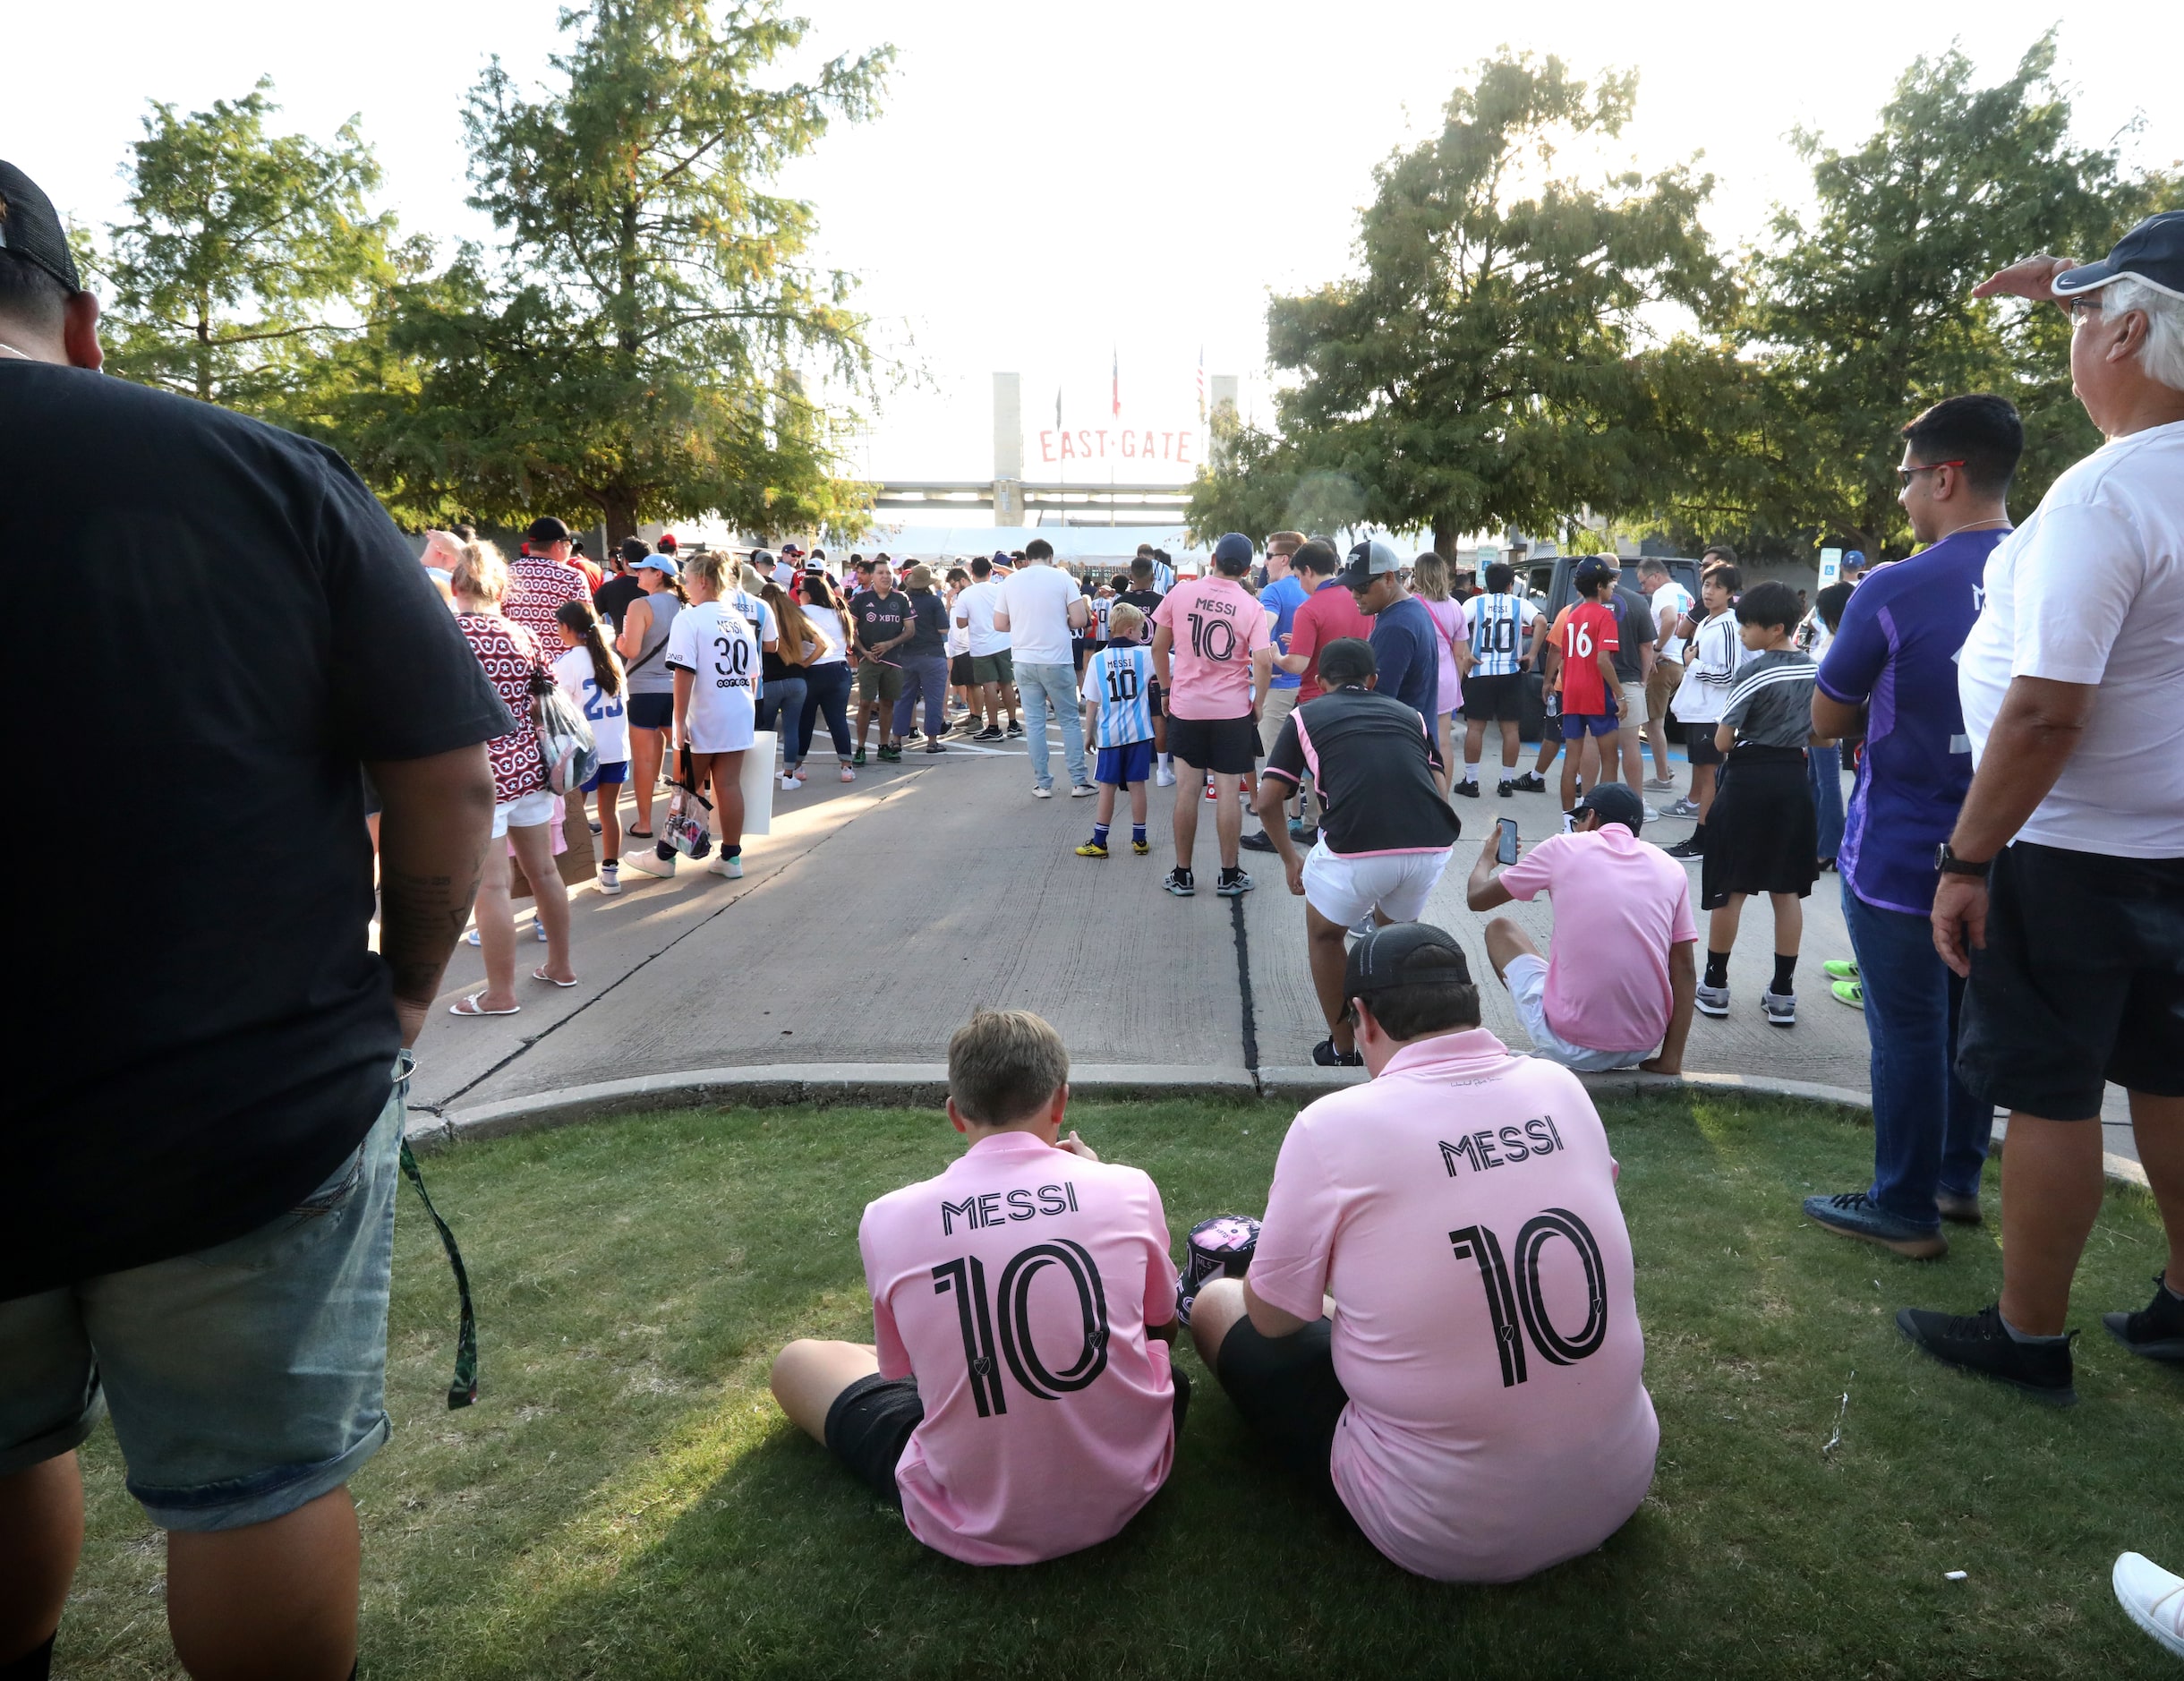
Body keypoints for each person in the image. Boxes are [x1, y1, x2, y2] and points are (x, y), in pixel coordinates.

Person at [4, 153, 505, 1681]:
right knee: (253, 1487)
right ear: (83, 323)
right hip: (243, 1097)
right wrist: (406, 992)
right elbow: (446, 774)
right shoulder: (261, 470)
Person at [1902, 214, 2184, 1402]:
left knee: (2051, 1092)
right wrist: (2074, 286)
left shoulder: (2102, 497)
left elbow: (2043, 713)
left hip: (2071, 851)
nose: (2072, 337)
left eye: (2085, 314)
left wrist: (1967, 856)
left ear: (2127, 329)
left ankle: (2027, 1333)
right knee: (2171, 1080)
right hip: (2172, 841)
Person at [1187, 923, 1658, 1583]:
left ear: (1363, 1018)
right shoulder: (1559, 1087)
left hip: (1447, 1530)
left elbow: (1272, 1321)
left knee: (1216, 1303)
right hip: (1620, 1478)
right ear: (1471, 1006)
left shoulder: (1333, 1126)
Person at [767, 1010, 1185, 1564]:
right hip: (1127, 1482)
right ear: (1060, 1102)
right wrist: (1098, 1178)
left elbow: (903, 1376)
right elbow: (1163, 1325)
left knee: (796, 1361)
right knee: (1159, 1369)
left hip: (972, 1514)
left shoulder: (887, 1217)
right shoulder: (1129, 1188)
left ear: (955, 1115)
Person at [1797, 396, 2022, 1261]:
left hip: (1904, 848)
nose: (1900, 497)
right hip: (2013, 847)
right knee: (1974, 1023)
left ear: (1944, 476)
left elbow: (1826, 718)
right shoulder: (2049, 567)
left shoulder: (1895, 586)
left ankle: (1903, 1208)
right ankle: (1956, 1181)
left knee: (1907, 1031)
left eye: (1905, 479)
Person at [1255, 639, 1462, 1066]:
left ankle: (1344, 1047)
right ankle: (1397, 1042)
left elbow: (1268, 799)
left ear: (1319, 681)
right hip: (1430, 844)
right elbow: (1440, 789)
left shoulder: (1305, 715)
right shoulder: (1412, 716)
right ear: (1373, 681)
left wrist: (1290, 860)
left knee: (1326, 935)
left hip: (1354, 848)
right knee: (1393, 941)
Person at [1466, 783, 1697, 1073]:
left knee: (1500, 929)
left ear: (1591, 818)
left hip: (1572, 1043)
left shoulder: (1562, 848)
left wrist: (1486, 859)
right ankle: (1669, 1059)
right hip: (1641, 1044)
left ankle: (1551, 1045)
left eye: (1576, 822)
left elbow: (1477, 899)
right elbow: (1685, 967)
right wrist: (1670, 1060)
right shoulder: (1670, 868)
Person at [446, 542, 577, 1009]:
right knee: (544, 871)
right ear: (501, 589)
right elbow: (548, 698)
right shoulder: (524, 635)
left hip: (478, 776)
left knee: (494, 887)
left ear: (456, 585)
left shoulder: (448, 634)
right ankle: (560, 966)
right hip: (532, 769)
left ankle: (500, 994)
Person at [1693, 582, 1819, 1026]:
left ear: (1776, 628)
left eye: (1749, 625)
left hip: (1748, 781)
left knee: (1732, 886)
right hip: (1793, 780)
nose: (1743, 631)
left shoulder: (1756, 672)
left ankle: (1715, 985)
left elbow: (1725, 739)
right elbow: (1824, 735)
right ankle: (1783, 993)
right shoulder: (1815, 670)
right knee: (1787, 891)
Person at [1153, 532, 1273, 896]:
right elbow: (1264, 661)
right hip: (1231, 710)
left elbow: (1158, 646)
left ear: (1213, 558)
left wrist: (1166, 689)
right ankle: (1229, 873)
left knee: (1187, 791)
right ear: (1248, 569)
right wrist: (1259, 703)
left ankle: (1183, 874)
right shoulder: (1252, 606)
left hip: (1187, 706)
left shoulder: (1181, 593)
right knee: (1226, 792)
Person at [640, 550, 758, 882]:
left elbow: (683, 672)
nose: (686, 587)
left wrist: (679, 720)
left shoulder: (690, 618)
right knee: (729, 784)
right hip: (738, 708)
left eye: (689, 580)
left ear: (703, 581)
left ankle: (665, 856)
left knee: (687, 787)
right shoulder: (740, 620)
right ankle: (731, 857)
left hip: (704, 711)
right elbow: (752, 675)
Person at [994, 538, 1093, 798]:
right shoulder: (1062, 579)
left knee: (1036, 723)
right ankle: (1079, 780)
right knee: (1070, 721)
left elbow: (1000, 624)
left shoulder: (1010, 581)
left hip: (1024, 659)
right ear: (1050, 557)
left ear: (1026, 558)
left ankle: (1043, 783)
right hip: (1056, 658)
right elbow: (1080, 619)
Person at [1662, 561, 1746, 858]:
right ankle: (1708, 836)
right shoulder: (1709, 621)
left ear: (1731, 593)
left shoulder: (1727, 625)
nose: (1709, 592)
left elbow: (1730, 673)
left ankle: (1704, 839)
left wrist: (1692, 664)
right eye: (1707, 585)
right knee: (1704, 772)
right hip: (1700, 710)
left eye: (1718, 587)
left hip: (1713, 712)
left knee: (1710, 775)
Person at [1241, 533, 1313, 853]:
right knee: (1313, 759)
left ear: (1285, 559)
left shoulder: (1274, 591)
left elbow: (1261, 632)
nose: (1264, 562)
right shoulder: (1314, 590)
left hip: (1280, 684)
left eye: (1268, 555)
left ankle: (1274, 832)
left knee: (1275, 761)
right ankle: (1313, 824)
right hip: (1311, 683)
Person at [553, 598, 629, 897]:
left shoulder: (567, 662)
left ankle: (566, 880)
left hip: (582, 752)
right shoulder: (612, 658)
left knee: (570, 817)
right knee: (609, 811)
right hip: (615, 747)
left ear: (567, 628)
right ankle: (610, 874)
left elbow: (556, 711)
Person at [1073, 603, 1156, 859]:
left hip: (1110, 734)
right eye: (1141, 630)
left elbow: (1092, 701)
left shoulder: (1098, 660)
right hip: (1139, 732)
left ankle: (1100, 841)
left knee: (1107, 786)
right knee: (1137, 784)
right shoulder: (1146, 655)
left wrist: (1088, 733)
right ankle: (1139, 838)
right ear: (1130, 631)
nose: (1142, 635)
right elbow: (1175, 663)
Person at [613, 551, 685, 845]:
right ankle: (683, 821)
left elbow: (631, 650)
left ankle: (644, 823)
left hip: (643, 689)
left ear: (658, 574)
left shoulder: (640, 605)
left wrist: (619, 641)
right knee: (684, 758)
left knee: (643, 760)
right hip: (677, 688)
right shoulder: (686, 605)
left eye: (644, 570)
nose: (638, 573)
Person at [1456, 560, 1544, 798]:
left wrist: (1466, 652)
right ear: (1510, 584)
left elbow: (1458, 623)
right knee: (1511, 729)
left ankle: (1471, 781)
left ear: (1485, 582)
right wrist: (1532, 653)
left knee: (1475, 728)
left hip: (1481, 671)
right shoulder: (1520, 603)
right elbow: (1541, 622)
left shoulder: (1475, 602)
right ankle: (1506, 781)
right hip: (1510, 671)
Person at [1340, 540, 1443, 732]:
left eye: (1361, 586)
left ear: (1388, 578)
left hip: (1400, 744)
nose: (1354, 594)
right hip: (1413, 740)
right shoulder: (1411, 610)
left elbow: (1377, 703)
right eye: (1349, 587)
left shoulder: (1396, 626)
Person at [1554, 559, 1624, 816]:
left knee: (1572, 759)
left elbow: (1563, 660)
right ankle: (1604, 815)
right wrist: (1621, 694)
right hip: (1596, 693)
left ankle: (1567, 820)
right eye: (1609, 582)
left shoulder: (1571, 615)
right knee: (1610, 758)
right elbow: (1603, 660)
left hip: (1572, 692)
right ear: (1599, 585)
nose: (1613, 587)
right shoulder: (1606, 616)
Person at [1409, 551, 1473, 794]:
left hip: (1419, 678)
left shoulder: (1412, 604)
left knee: (1414, 739)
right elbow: (1460, 653)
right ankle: (1442, 795)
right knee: (1443, 741)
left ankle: (1418, 792)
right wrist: (1456, 682)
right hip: (1446, 678)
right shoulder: (1456, 606)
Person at [1801, 583, 1855, 868]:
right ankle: (1817, 839)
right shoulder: (1831, 635)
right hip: (1814, 718)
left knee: (1827, 781)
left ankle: (1830, 846)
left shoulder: (1844, 639)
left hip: (1827, 722)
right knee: (1815, 780)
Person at [758, 580, 828, 790]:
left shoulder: (761, 618)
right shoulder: (796, 616)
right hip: (797, 680)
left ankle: (760, 776)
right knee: (792, 729)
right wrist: (805, 663)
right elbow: (822, 644)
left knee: (764, 731)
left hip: (768, 682)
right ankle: (789, 775)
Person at [849, 559, 915, 765]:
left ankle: (884, 747)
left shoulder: (901, 598)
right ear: (872, 576)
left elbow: (910, 630)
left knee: (887, 703)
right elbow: (849, 630)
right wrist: (863, 652)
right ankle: (860, 748)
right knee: (866, 704)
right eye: (880, 573)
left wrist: (889, 644)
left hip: (893, 660)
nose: (886, 576)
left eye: (888, 572)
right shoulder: (860, 599)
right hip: (869, 660)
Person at [1637, 559, 1693, 790]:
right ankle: (1664, 769)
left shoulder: (1663, 594)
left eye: (1644, 582)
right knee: (1656, 722)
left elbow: (1669, 619)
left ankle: (1662, 776)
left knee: (1653, 724)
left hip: (1663, 664)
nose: (1645, 589)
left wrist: (1657, 649)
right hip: (1679, 663)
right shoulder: (1685, 594)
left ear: (1656, 576)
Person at [797, 573, 858, 784]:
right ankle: (846, 767)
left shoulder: (802, 612)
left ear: (809, 593)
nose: (798, 595)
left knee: (805, 720)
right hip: (839, 669)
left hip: (811, 669)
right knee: (837, 719)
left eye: (799, 591)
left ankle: (797, 767)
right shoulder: (839, 612)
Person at [955, 555, 1021, 742]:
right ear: (991, 572)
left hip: (981, 646)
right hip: (1003, 641)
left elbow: (960, 623)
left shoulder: (966, 594)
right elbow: (1017, 576)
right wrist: (1002, 567)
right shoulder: (1000, 589)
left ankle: (993, 726)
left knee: (989, 687)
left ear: (971, 573)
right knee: (1007, 683)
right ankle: (1013, 722)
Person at [891, 563, 952, 755]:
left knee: (903, 698)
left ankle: (896, 740)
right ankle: (932, 742)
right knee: (933, 699)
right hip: (932, 654)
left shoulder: (901, 600)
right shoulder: (934, 601)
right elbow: (944, 629)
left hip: (905, 654)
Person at [1606, 564, 1657, 793]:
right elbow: (1647, 647)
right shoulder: (1637, 601)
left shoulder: (1581, 604)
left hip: (1593, 683)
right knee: (1630, 744)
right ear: (1617, 574)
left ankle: (1592, 801)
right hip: (1628, 679)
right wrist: (1643, 680)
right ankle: (1636, 801)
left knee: (1593, 745)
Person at [1117, 556, 1169, 780]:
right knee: (1158, 715)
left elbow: (1114, 633)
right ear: (1153, 577)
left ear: (1131, 577)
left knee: (1126, 713)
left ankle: (1126, 762)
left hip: (1126, 665)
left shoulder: (1119, 602)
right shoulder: (1162, 600)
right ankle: (1162, 769)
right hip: (1153, 663)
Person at [504, 516, 591, 649]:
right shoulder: (572, 577)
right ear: (558, 545)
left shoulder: (507, 573)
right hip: (560, 662)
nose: (570, 548)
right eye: (569, 543)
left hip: (519, 659)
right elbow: (586, 622)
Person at [594, 535, 649, 630]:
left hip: (621, 641)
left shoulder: (609, 589)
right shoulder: (657, 587)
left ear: (626, 561)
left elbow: (594, 613)